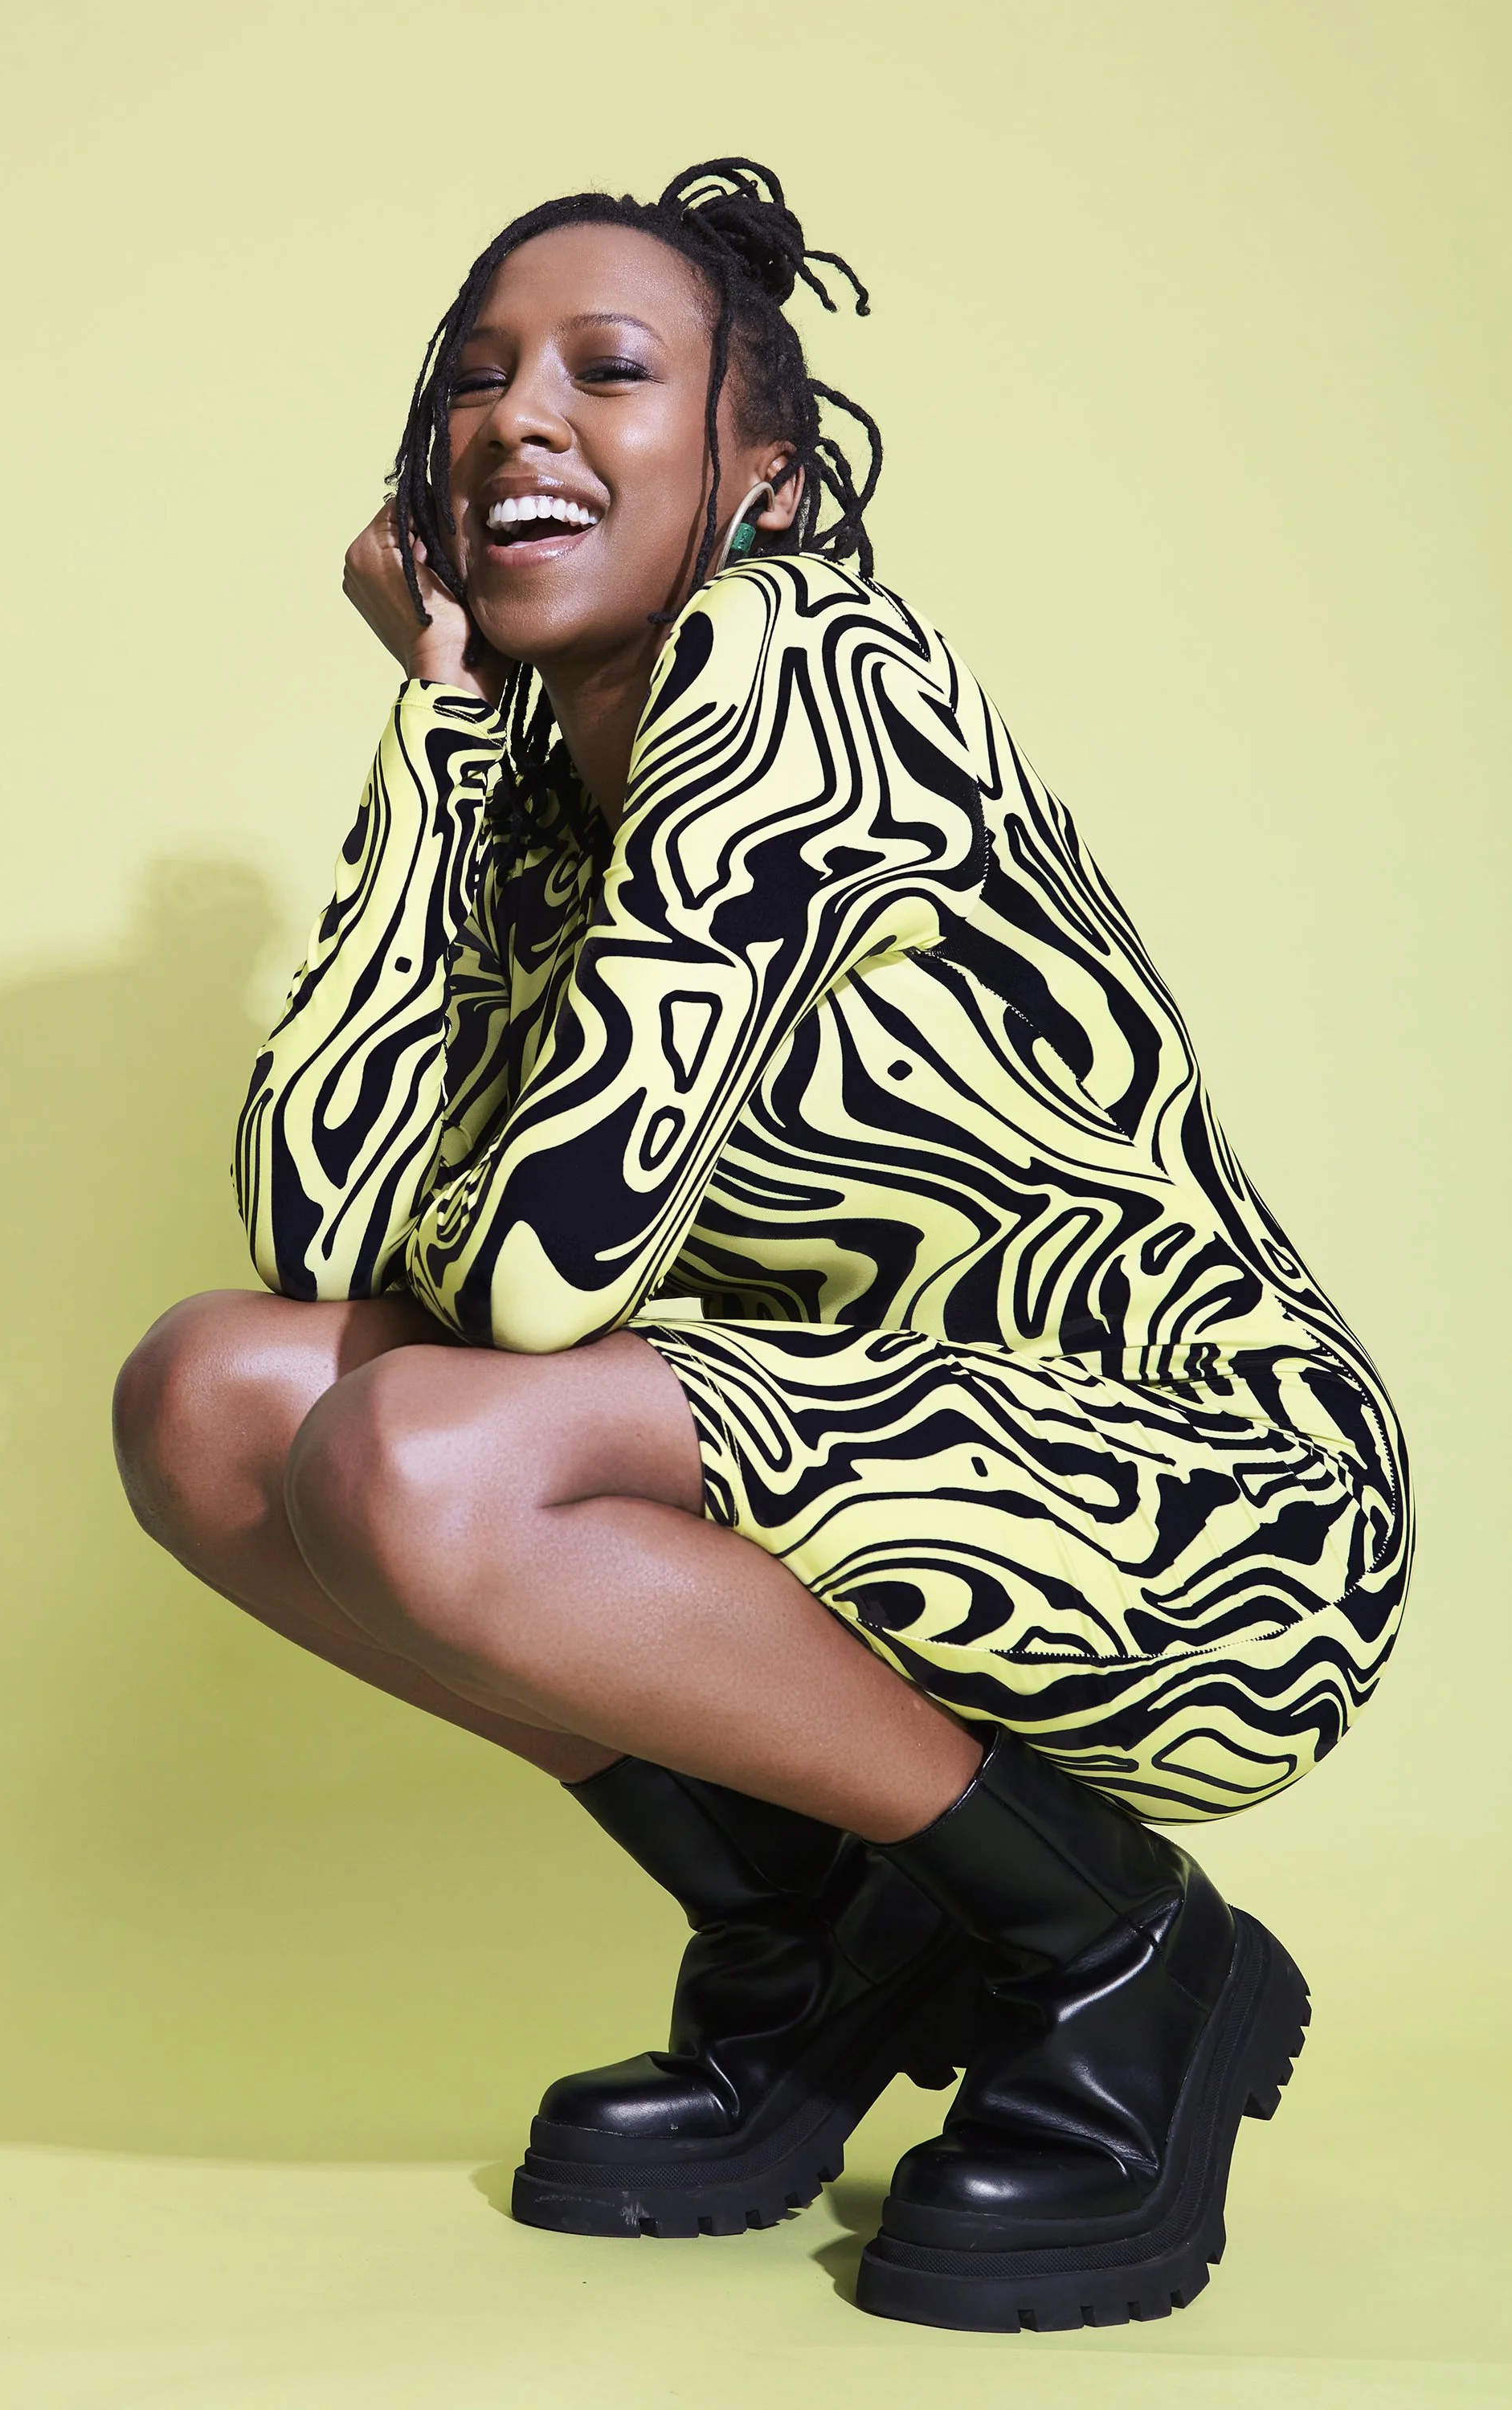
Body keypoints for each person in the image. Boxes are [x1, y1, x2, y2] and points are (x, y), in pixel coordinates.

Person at [112, 161, 1411, 2332]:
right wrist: (435, 723)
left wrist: (484, 1236)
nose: (516, 416)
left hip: (1206, 1494)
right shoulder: (530, 777)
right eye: (473, 379)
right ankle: (823, 1936)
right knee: (217, 1396)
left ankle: (1114, 1953)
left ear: (763, 477)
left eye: (609, 372)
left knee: (426, 1449)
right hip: (856, 1455)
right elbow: (319, 1229)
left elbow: (527, 1285)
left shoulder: (811, 667)